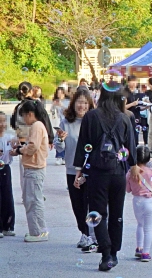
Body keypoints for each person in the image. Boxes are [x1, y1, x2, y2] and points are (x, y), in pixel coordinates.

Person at [73, 86, 137, 271]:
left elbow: (83, 145)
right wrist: (133, 168)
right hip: (117, 173)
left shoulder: (91, 116)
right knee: (117, 214)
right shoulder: (125, 118)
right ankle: (114, 253)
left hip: (97, 173)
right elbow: (130, 150)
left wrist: (80, 170)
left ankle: (106, 253)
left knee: (98, 213)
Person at [54, 89, 97, 250]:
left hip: (90, 169)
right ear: (74, 103)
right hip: (72, 168)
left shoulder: (93, 121)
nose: (82, 106)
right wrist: (60, 139)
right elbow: (60, 147)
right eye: (79, 102)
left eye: (85, 103)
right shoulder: (66, 122)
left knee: (90, 204)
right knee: (77, 204)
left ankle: (90, 236)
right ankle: (84, 233)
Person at [10, 99, 51, 242]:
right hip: (35, 167)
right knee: (34, 199)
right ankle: (39, 230)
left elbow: (32, 147)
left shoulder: (36, 126)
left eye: (23, 116)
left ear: (30, 114)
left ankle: (37, 231)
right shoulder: (39, 126)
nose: (23, 119)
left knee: (32, 200)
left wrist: (20, 150)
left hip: (34, 168)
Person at [126, 145, 152, 262]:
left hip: (136, 201)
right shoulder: (150, 172)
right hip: (148, 201)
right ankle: (146, 252)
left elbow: (128, 189)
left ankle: (139, 248)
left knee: (140, 224)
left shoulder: (130, 173)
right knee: (148, 228)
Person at [0, 113, 16, 237]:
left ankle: (8, 225)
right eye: (0, 121)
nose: (2, 124)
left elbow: (15, 151)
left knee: (7, 197)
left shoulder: (9, 138)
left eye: (4, 121)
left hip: (5, 168)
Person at [51, 87, 69, 165]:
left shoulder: (67, 102)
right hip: (59, 123)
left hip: (66, 123)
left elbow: (68, 111)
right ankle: (59, 157)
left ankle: (64, 157)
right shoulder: (55, 102)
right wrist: (53, 106)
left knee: (65, 139)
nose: (59, 95)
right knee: (58, 139)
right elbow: (52, 112)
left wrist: (62, 105)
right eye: (58, 93)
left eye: (61, 93)